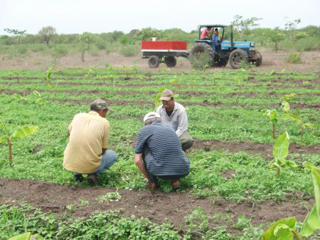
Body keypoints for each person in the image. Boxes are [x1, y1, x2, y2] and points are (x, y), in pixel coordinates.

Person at [63, 99, 117, 186]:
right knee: (112, 155)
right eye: (106, 112)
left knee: (75, 148)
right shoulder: (104, 122)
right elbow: (103, 150)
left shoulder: (78, 116)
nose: (106, 115)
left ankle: (77, 174)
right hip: (91, 164)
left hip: (70, 163)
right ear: (102, 110)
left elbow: (69, 132)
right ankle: (93, 174)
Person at [134, 112, 190, 191]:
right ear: (160, 120)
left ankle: (153, 182)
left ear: (146, 123)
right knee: (172, 150)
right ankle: (175, 180)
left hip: (159, 172)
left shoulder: (144, 130)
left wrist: (148, 177)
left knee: (144, 147)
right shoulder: (170, 129)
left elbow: (137, 160)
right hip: (183, 169)